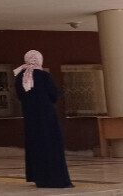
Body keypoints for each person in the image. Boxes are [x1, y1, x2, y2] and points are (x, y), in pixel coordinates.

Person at [14, 50, 73, 188]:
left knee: (35, 144)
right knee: (51, 145)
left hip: (30, 117)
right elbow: (54, 94)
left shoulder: (20, 76)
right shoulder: (44, 75)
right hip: (47, 117)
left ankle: (38, 177)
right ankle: (55, 179)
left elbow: (20, 96)